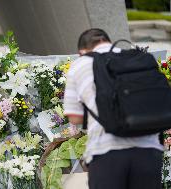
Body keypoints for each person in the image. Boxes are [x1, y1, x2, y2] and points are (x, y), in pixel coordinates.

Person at [63, 28, 163, 189]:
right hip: (149, 151)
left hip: (107, 152)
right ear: (109, 42)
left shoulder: (80, 64)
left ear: (82, 51)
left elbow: (75, 117)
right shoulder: (138, 58)